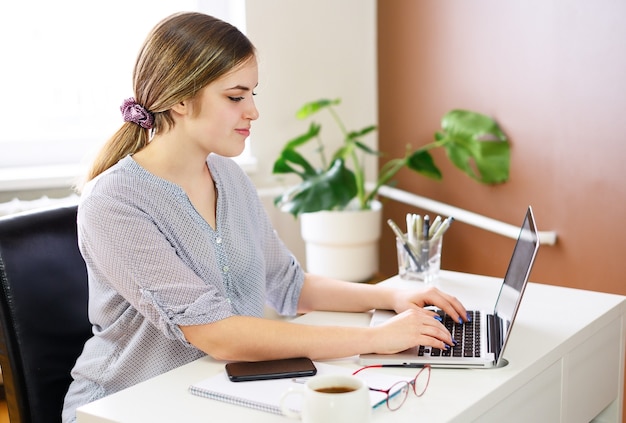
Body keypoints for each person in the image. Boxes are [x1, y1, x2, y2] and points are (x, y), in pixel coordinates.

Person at [62, 11, 469, 421]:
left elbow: (288, 284)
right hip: (126, 406)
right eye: (236, 97)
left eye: (253, 94)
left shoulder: (228, 176)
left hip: (217, 392)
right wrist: (375, 337)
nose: (253, 111)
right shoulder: (114, 202)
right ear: (180, 100)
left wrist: (391, 296)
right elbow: (216, 334)